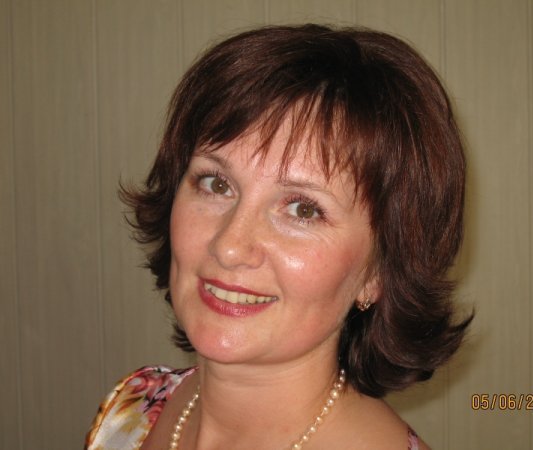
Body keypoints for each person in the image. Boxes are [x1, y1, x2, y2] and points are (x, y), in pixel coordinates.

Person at [85, 24, 471, 450]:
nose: (229, 246)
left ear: (377, 273)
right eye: (216, 184)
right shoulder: (131, 407)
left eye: (303, 210)